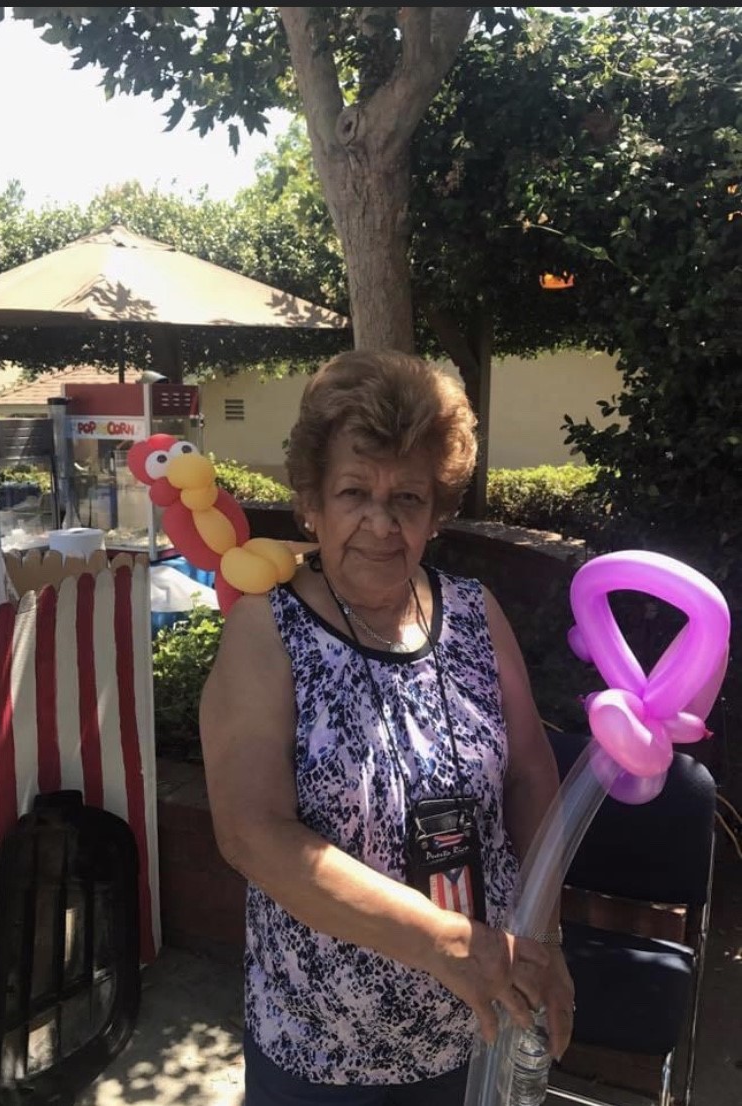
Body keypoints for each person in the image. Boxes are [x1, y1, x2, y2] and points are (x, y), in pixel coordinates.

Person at [200, 349, 575, 1105]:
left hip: (477, 1028)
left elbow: (532, 774)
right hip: (326, 1054)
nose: (380, 522)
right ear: (311, 502)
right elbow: (251, 832)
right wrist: (451, 944)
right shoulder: (266, 632)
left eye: (407, 497)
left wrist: (547, 943)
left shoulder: (475, 612)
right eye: (353, 493)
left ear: (436, 512)